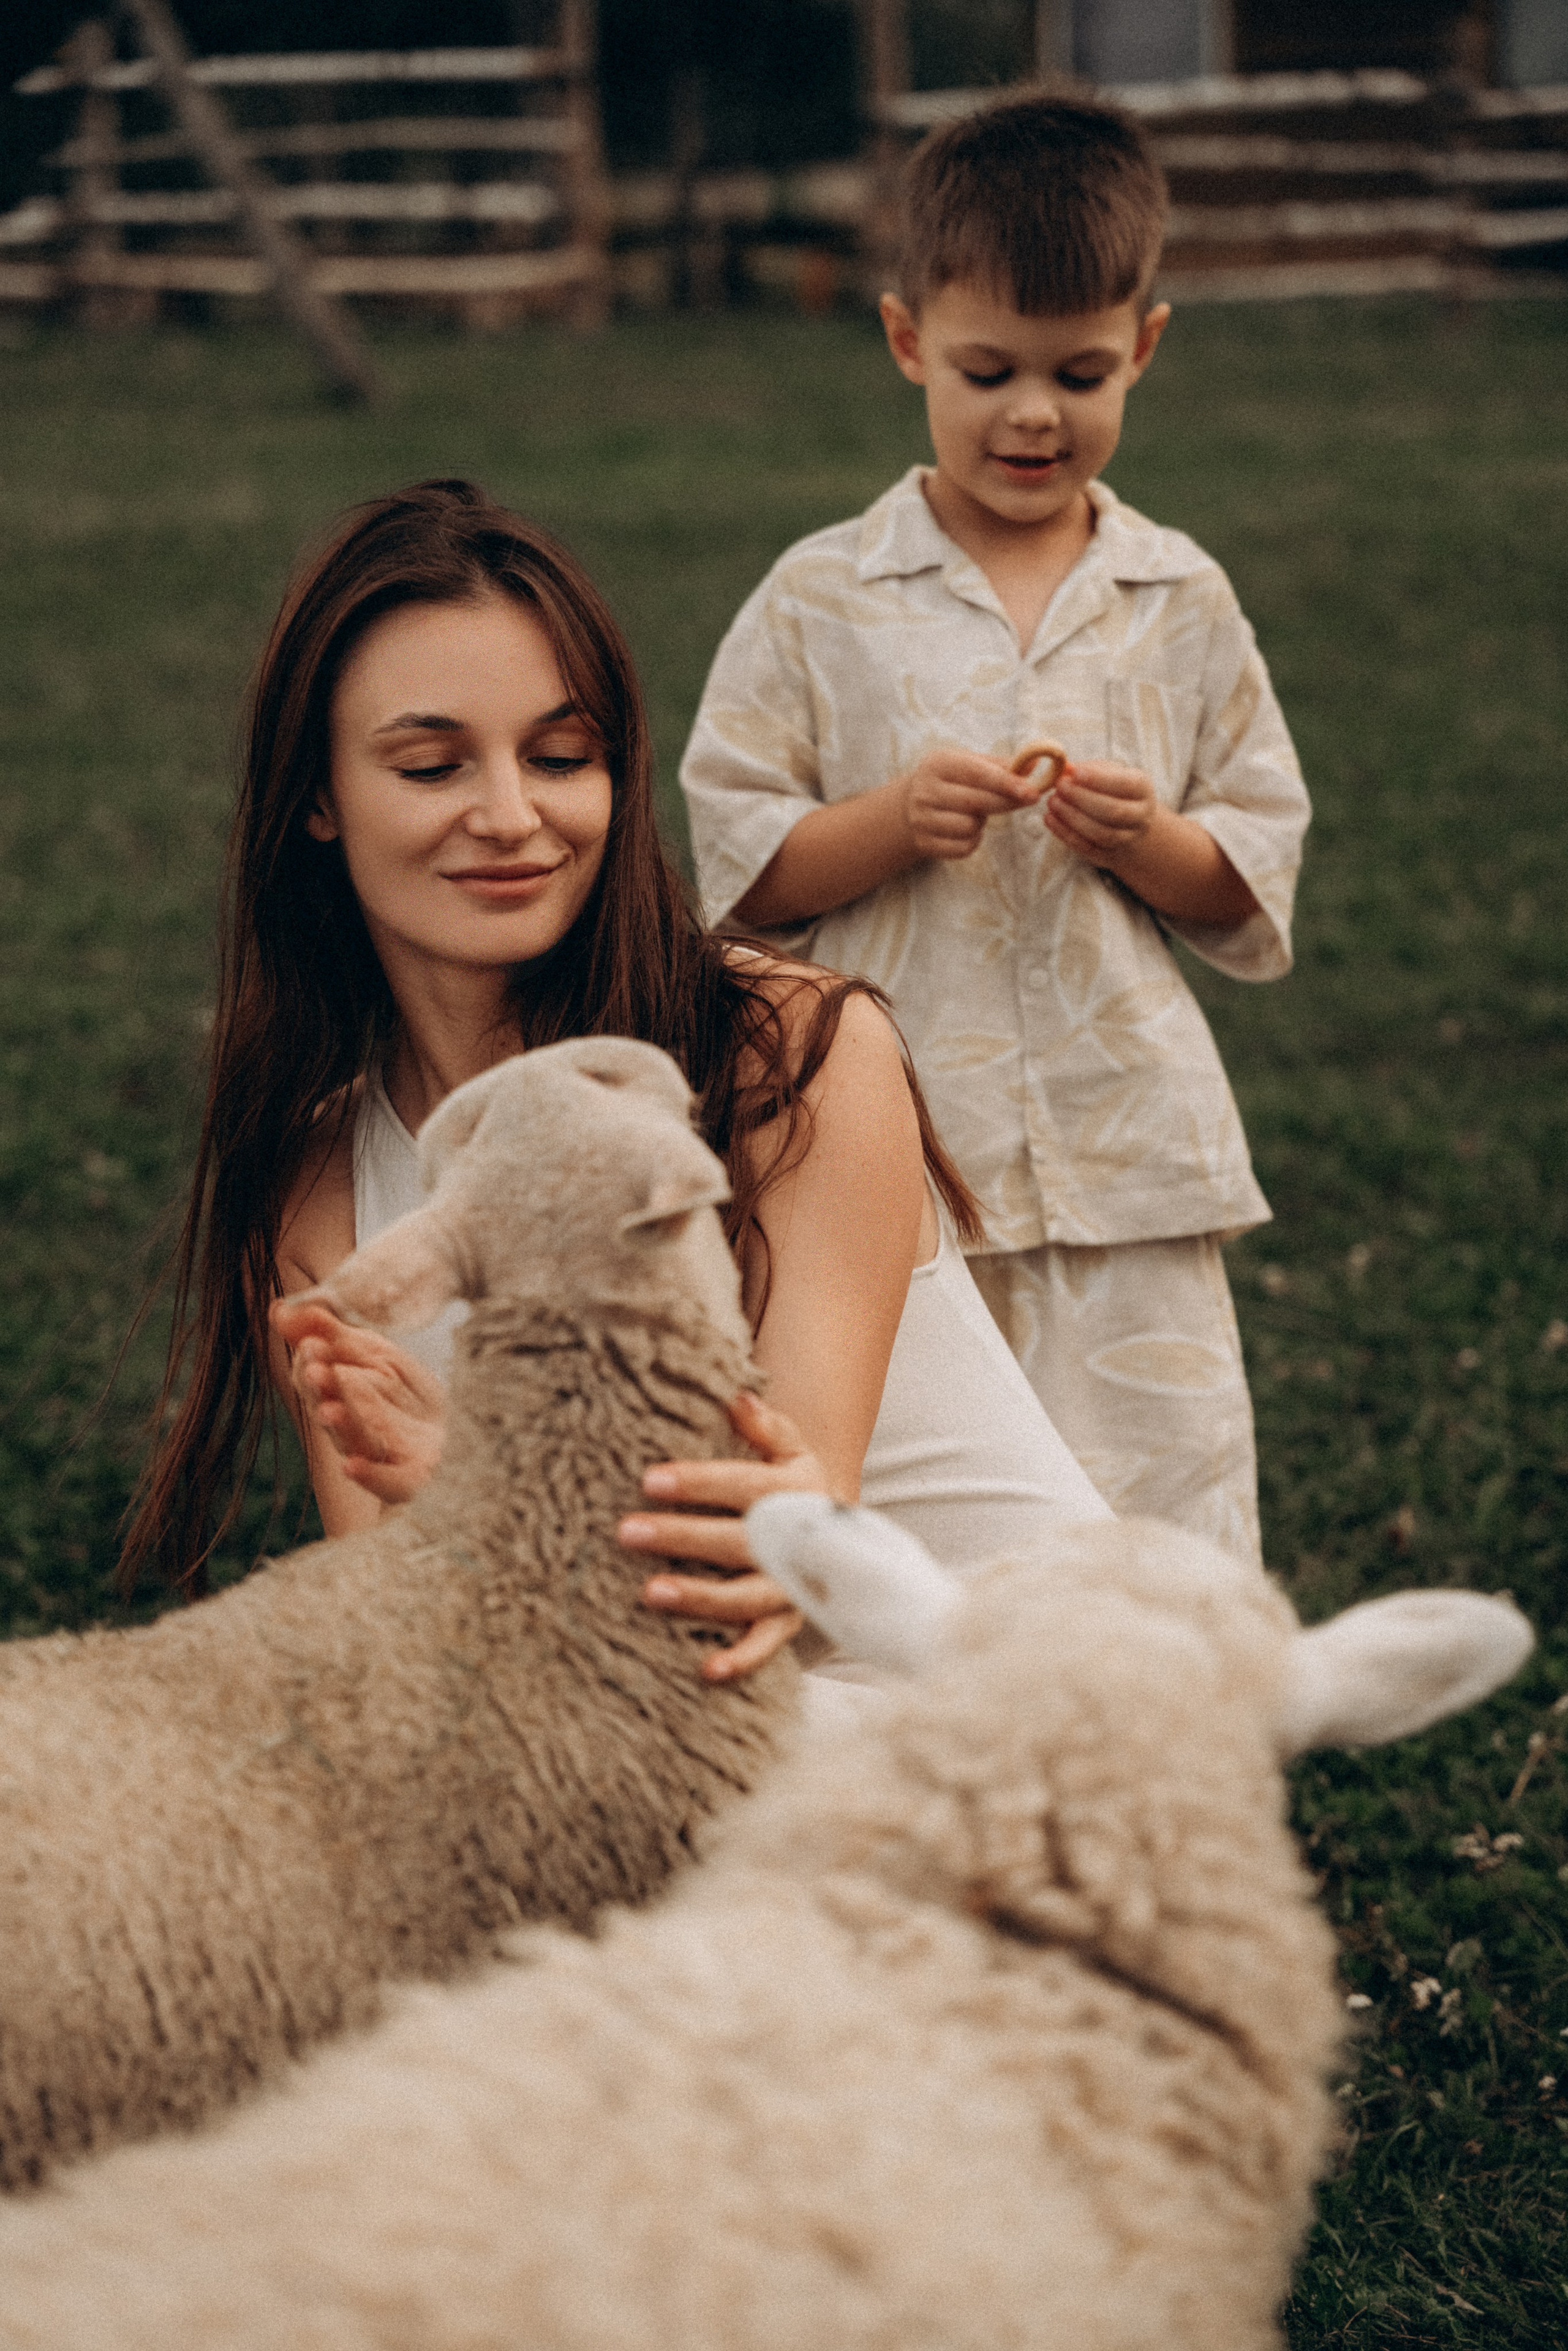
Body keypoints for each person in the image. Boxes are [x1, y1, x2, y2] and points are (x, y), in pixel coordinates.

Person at [121, 480, 1107, 1681]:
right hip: (646, 1740)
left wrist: (471, 1490)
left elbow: (774, 1581)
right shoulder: (317, 1196)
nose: (511, 814)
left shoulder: (789, 1052)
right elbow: (404, 1647)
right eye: (432, 766)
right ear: (319, 796)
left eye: (559, 755)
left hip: (1012, 1714)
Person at [679, 92, 1311, 1564]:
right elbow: (739, 866)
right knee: (940, 1512)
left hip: (1125, 1159)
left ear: (1142, 348)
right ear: (907, 343)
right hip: (893, 1167)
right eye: (986, 370)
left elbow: (1250, 861)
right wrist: (891, 820)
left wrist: (1145, 838)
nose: (1032, 411)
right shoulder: (819, 597)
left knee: (1159, 1505)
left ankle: (1163, 1750)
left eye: (1079, 372)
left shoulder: (1177, 595)